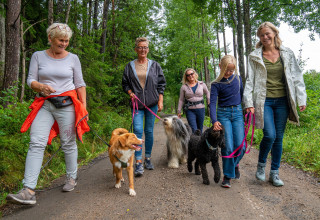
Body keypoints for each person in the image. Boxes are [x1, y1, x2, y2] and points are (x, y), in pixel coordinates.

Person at [6, 23, 89, 205]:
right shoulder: (38, 56)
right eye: (61, 40)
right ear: (50, 38)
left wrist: (84, 108)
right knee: (36, 143)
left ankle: (71, 178)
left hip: (67, 105)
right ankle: (28, 190)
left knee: (68, 143)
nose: (64, 44)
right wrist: (40, 86)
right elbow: (30, 80)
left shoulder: (73, 59)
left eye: (67, 41)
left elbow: (80, 84)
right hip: (44, 104)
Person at [243, 22, 307, 187]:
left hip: (283, 101)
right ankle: (261, 165)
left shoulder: (287, 53)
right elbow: (250, 80)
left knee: (278, 138)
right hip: (264, 101)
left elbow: (297, 76)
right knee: (269, 135)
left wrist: (301, 98)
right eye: (262, 35)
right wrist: (248, 102)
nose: (265, 37)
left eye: (267, 34)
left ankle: (274, 174)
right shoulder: (254, 56)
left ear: (274, 34)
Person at [122, 37, 166, 177]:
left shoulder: (155, 65)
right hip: (137, 104)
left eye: (145, 47)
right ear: (136, 49)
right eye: (140, 47)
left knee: (149, 130)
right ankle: (138, 162)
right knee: (138, 130)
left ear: (148, 49)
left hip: (152, 104)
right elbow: (125, 84)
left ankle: (148, 158)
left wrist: (160, 101)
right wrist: (130, 93)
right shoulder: (129, 66)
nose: (143, 50)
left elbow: (161, 84)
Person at [210, 55, 245, 188]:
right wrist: (214, 120)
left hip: (237, 113)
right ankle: (227, 176)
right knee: (228, 146)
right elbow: (212, 103)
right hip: (223, 114)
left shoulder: (238, 79)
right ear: (220, 66)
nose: (228, 73)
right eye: (226, 70)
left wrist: (247, 110)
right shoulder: (216, 84)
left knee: (240, 145)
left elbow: (242, 96)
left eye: (231, 70)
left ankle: (234, 164)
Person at [177, 68, 210, 133]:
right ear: (186, 77)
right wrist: (179, 111)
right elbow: (181, 100)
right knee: (193, 129)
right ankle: (194, 142)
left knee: (200, 129)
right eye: (188, 75)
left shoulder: (202, 84)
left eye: (191, 74)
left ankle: (199, 143)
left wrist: (209, 100)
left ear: (195, 74)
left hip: (201, 109)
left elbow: (207, 93)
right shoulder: (184, 87)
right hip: (190, 110)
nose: (190, 76)